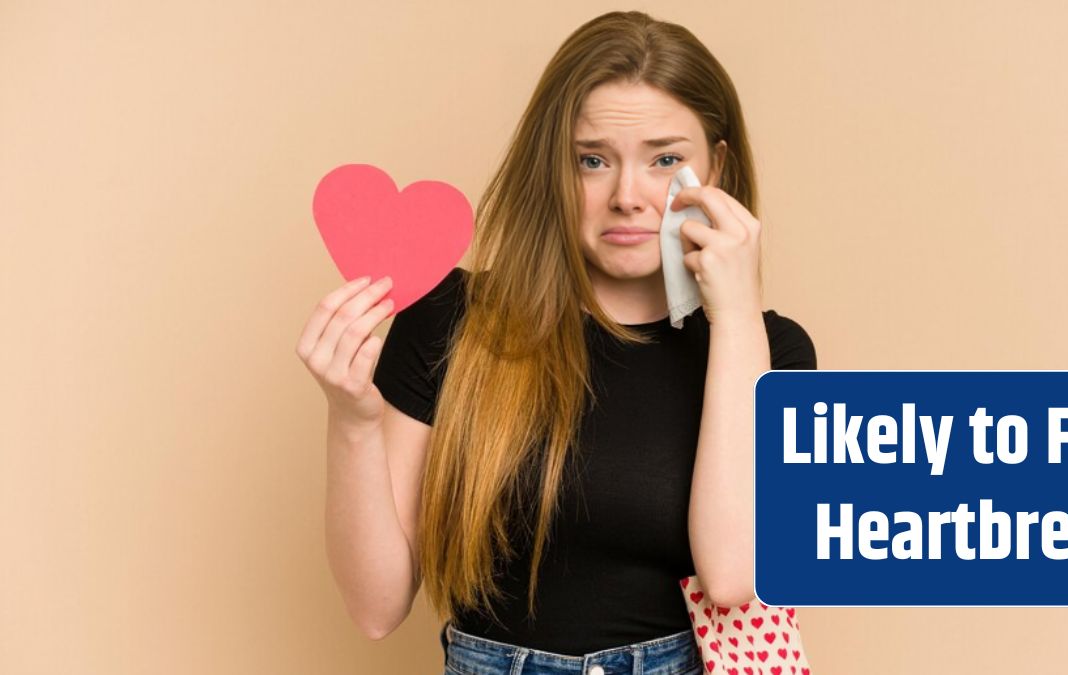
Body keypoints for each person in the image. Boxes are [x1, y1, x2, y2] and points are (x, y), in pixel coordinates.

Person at [297, 10, 817, 675]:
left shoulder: (770, 351)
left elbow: (733, 574)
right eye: (592, 160)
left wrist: (737, 317)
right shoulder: (448, 318)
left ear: (714, 166)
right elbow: (376, 608)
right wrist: (352, 420)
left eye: (665, 159)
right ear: (553, 166)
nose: (628, 196)